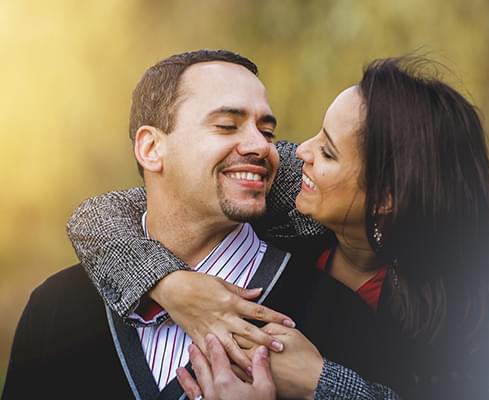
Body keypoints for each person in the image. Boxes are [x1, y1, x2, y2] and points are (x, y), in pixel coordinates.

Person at [65, 56, 489, 399]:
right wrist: (170, 284)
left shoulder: (447, 316)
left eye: (329, 150)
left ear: (387, 198)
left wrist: (319, 383)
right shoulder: (291, 192)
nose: (297, 151)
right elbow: (101, 215)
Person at [2, 49, 312, 400]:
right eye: (226, 125)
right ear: (150, 148)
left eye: (268, 132)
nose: (261, 145)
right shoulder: (55, 309)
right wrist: (164, 281)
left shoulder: (328, 310)